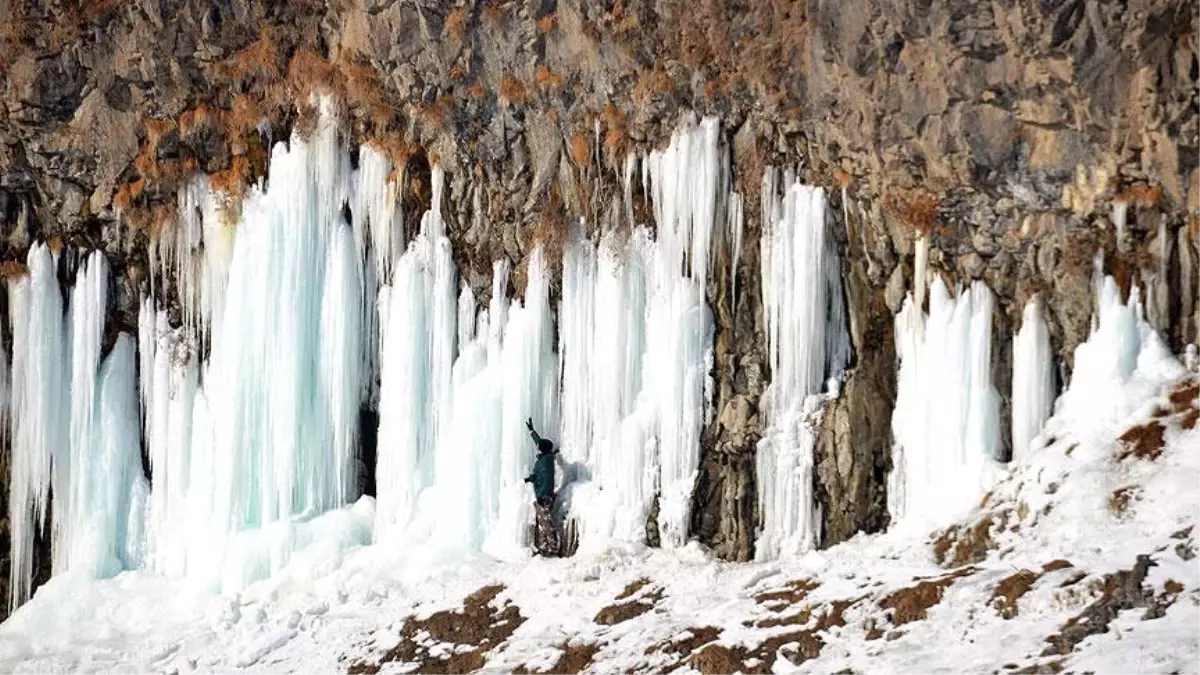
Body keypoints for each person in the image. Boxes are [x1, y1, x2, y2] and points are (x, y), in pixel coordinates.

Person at [524, 418, 560, 556]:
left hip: (544, 497)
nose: (537, 447)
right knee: (542, 522)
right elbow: (540, 476)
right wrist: (532, 431)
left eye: (539, 447)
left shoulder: (547, 460)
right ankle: (544, 546)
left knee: (546, 522)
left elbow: (547, 480)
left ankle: (552, 547)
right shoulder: (543, 460)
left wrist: (542, 496)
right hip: (542, 496)